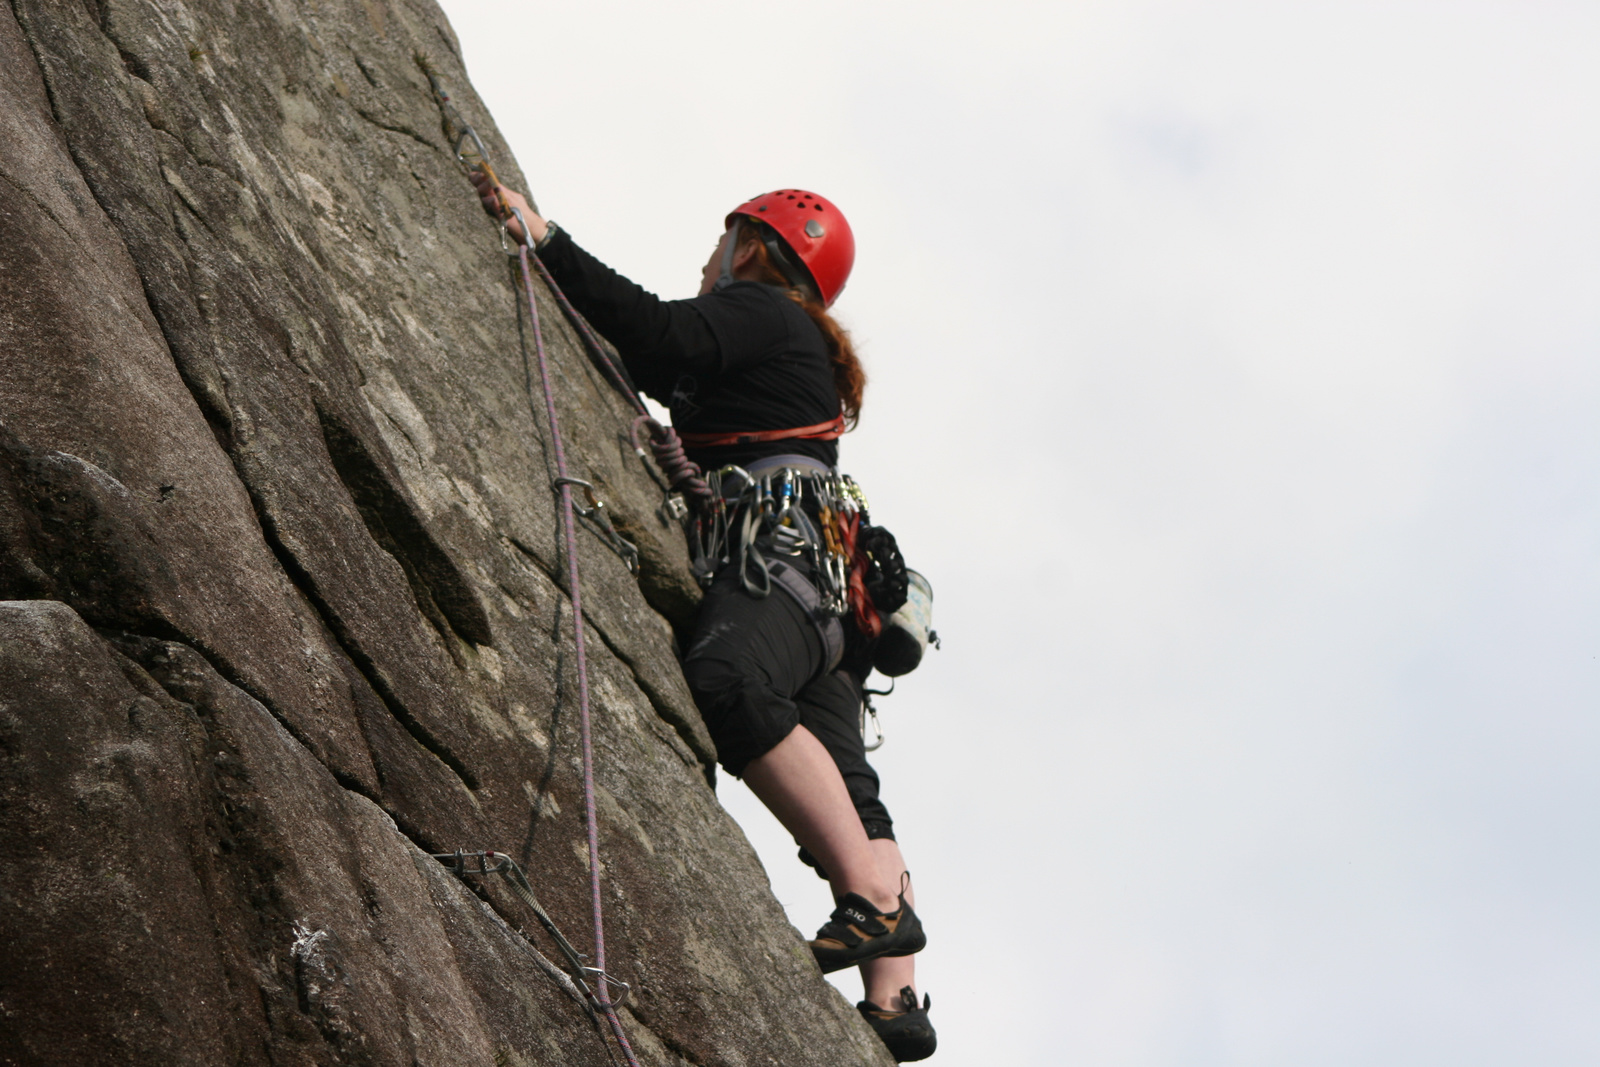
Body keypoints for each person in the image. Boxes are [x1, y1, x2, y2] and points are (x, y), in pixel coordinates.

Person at [472, 175, 936, 1062]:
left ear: (755, 250)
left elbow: (659, 332)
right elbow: (664, 359)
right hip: (829, 601)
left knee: (730, 682)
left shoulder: (766, 312)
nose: (706, 260)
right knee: (846, 779)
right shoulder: (797, 345)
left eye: (720, 244)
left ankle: (875, 908)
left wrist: (547, 238)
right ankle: (897, 996)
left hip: (778, 566)